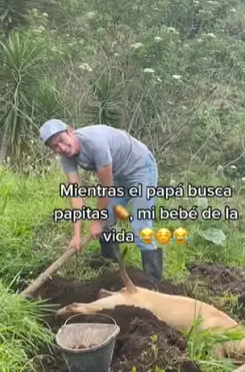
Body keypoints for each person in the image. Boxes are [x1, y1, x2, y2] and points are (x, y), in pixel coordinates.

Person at [39, 119, 163, 283]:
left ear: (70, 131)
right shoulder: (65, 157)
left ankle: (154, 281)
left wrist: (97, 221)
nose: (61, 148)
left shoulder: (95, 142)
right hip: (119, 175)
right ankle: (111, 267)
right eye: (55, 146)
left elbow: (107, 187)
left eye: (61, 140)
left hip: (141, 169)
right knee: (107, 219)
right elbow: (76, 194)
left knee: (140, 225)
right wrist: (76, 236)